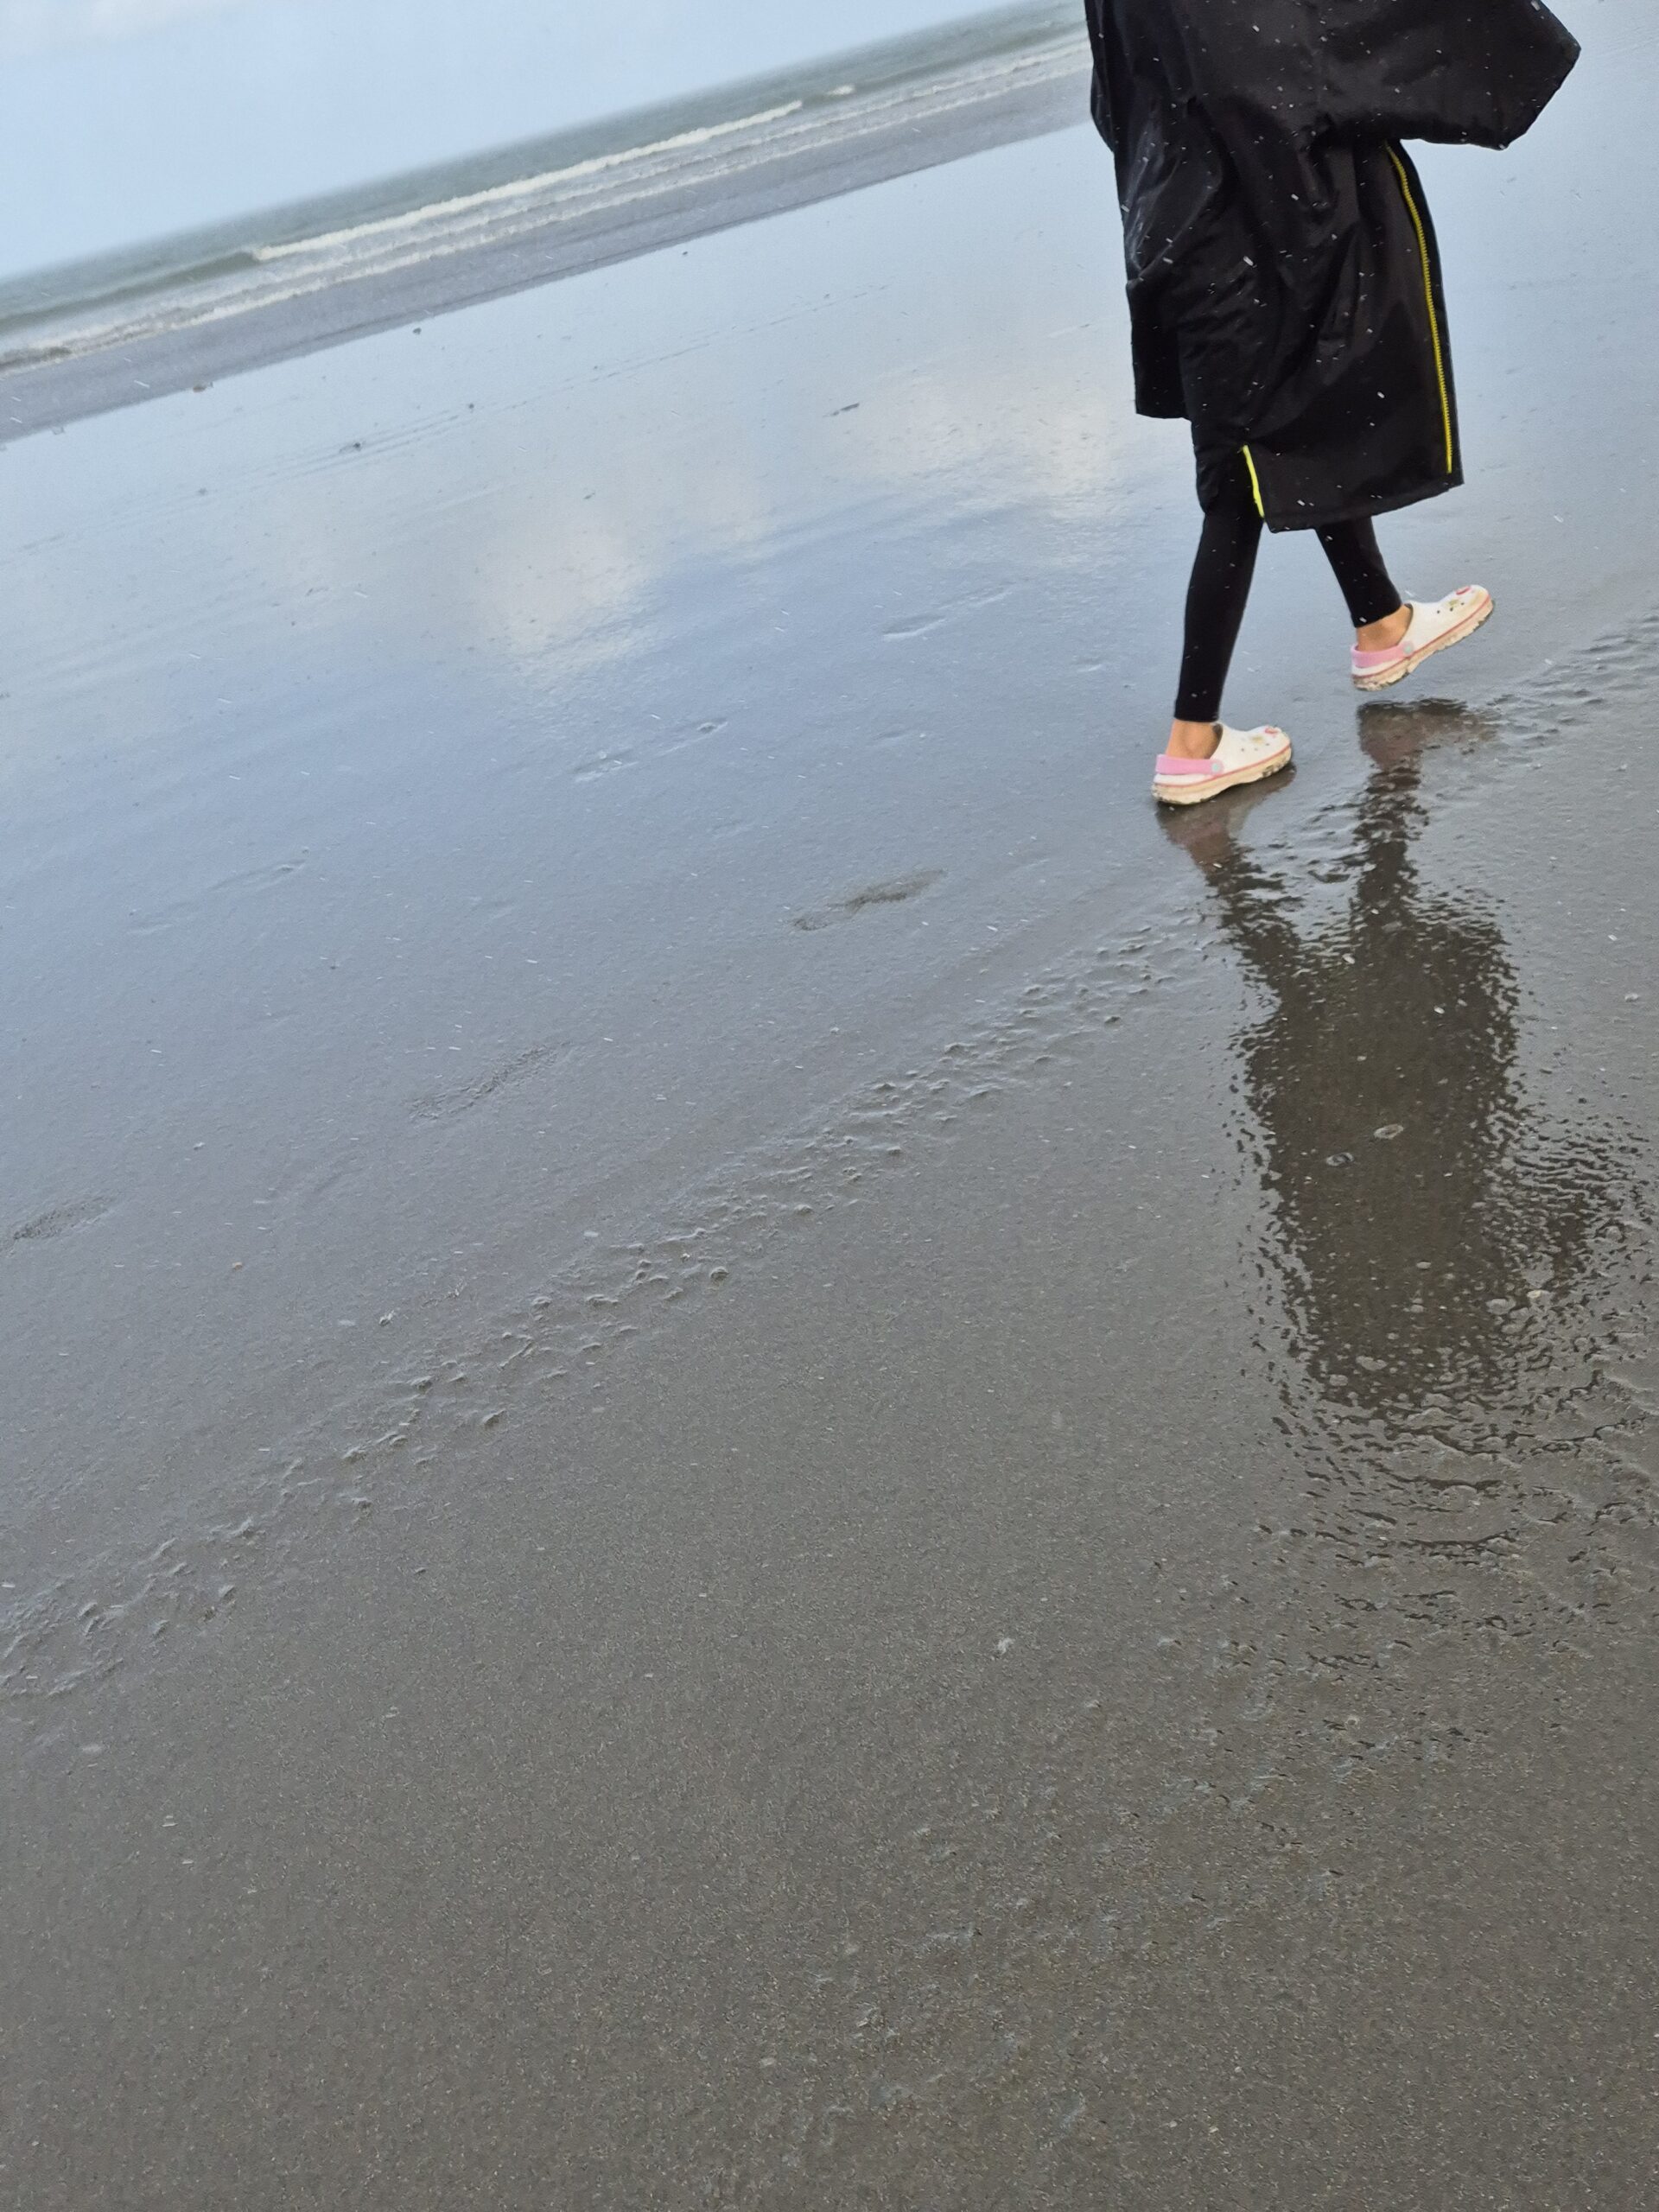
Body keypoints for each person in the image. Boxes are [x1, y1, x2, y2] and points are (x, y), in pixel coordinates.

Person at [1081, 0, 1580, 805]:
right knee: (1237, 490)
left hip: (1178, 223)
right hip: (1227, 240)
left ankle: (1380, 623)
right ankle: (1191, 745)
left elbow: (1119, 106)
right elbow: (1275, 55)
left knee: (1286, 424)